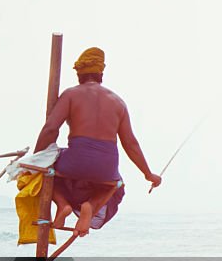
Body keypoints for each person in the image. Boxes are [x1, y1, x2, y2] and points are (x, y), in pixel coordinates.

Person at [33, 47, 161, 236]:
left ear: (79, 73)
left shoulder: (70, 94)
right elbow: (130, 143)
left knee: (40, 173)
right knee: (114, 186)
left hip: (74, 160)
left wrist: (37, 159)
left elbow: (51, 129)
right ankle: (90, 207)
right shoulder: (118, 102)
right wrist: (148, 173)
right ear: (101, 72)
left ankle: (62, 205)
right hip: (106, 166)